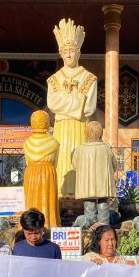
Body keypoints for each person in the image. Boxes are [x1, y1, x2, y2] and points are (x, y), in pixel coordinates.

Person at [47, 18, 97, 196]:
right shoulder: (54, 79)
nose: (69, 55)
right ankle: (60, 195)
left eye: (72, 51)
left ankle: (82, 194)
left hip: (80, 128)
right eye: (65, 51)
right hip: (61, 129)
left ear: (79, 52)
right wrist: (77, 99)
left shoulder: (89, 78)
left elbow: (89, 108)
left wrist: (65, 101)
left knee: (80, 162)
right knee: (61, 161)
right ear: (61, 54)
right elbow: (52, 104)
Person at [72, 121, 117, 226]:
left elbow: (75, 166)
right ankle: (104, 227)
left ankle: (90, 227)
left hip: (87, 185)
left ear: (86, 133)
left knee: (89, 205)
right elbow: (114, 165)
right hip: (103, 184)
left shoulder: (79, 149)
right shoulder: (106, 149)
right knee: (104, 204)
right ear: (100, 133)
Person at [23, 110, 61, 227]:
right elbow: (55, 163)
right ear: (47, 122)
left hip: (31, 173)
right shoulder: (54, 142)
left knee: (31, 199)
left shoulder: (27, 142)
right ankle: (49, 222)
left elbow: (27, 161)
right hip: (48, 172)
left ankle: (30, 223)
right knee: (48, 199)